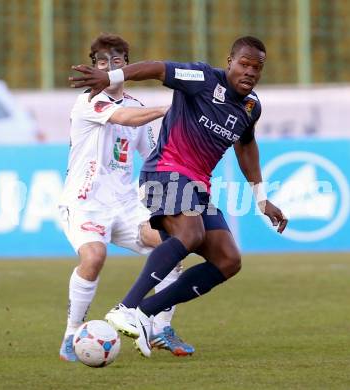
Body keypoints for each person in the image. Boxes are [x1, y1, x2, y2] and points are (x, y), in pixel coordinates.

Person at [69, 36, 288, 358]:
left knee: (228, 260)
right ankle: (126, 308)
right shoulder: (201, 79)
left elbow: (246, 145)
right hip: (165, 170)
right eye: (244, 64)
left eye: (257, 68)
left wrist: (261, 197)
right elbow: (156, 68)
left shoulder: (250, 106)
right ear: (230, 62)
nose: (250, 72)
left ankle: (146, 312)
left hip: (197, 184)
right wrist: (112, 77)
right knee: (190, 233)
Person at [59, 33, 194, 362]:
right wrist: (171, 106)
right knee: (93, 257)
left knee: (171, 245)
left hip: (126, 206)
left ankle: (161, 328)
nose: (109, 67)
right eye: (102, 62)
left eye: (117, 62)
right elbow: (123, 118)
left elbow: (153, 155)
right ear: (94, 67)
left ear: (126, 66)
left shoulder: (136, 107)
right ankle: (72, 333)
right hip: (85, 202)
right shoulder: (89, 102)